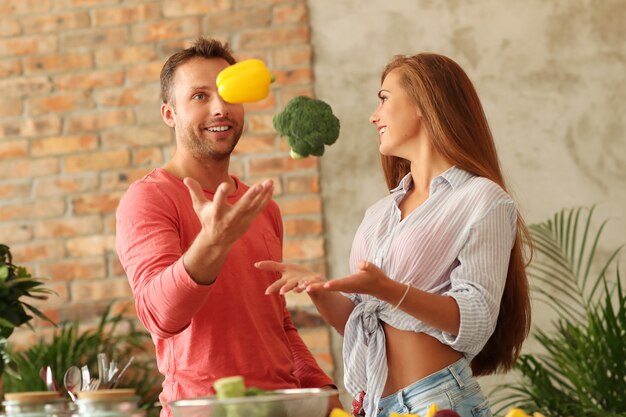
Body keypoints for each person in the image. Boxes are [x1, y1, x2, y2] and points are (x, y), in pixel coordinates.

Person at [256, 53, 532, 417]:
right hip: (375, 405)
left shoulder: (482, 199)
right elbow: (364, 324)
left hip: (439, 401)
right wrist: (319, 289)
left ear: (424, 103)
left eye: (384, 98)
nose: (374, 115)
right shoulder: (379, 214)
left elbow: (476, 317)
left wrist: (388, 289)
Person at [115, 37, 341, 417]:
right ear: (169, 114)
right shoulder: (148, 199)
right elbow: (159, 315)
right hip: (202, 409)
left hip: (280, 407)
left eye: (226, 93)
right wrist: (213, 243)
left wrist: (321, 390)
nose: (219, 108)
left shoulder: (261, 206)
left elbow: (277, 323)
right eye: (200, 97)